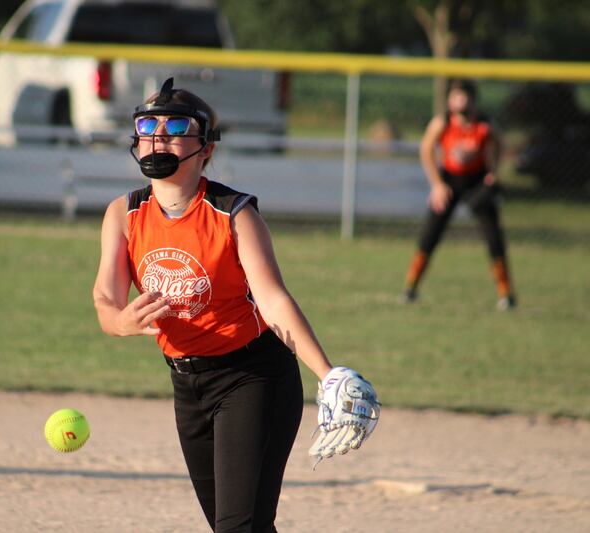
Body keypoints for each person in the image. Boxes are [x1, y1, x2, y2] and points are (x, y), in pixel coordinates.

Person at [92, 78, 378, 532]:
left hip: (252, 378)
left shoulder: (234, 213)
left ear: (205, 148)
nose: (158, 137)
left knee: (236, 529)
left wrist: (328, 374)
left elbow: (272, 299)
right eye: (148, 127)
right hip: (187, 387)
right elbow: (106, 299)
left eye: (175, 127)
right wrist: (119, 321)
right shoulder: (124, 214)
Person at [402, 79, 516, 310]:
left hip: (476, 180)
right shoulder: (442, 122)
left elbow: (502, 146)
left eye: (461, 97)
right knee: (430, 234)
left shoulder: (483, 124)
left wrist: (493, 173)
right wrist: (436, 184)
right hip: (449, 181)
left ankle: (506, 294)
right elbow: (426, 150)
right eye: (453, 97)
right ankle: (410, 288)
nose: (456, 102)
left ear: (472, 100)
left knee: (494, 237)